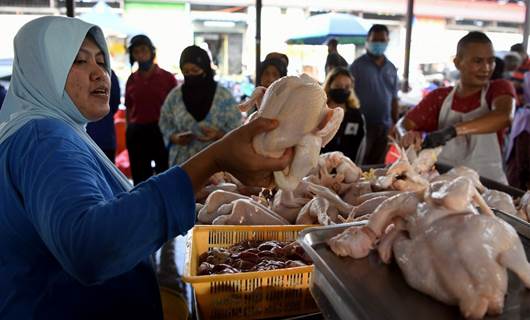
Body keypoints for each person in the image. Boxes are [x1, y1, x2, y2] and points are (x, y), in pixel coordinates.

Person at [0, 16, 293, 319]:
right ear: (40, 71)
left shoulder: (50, 133)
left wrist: (191, 185)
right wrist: (212, 159)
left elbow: (101, 208)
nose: (99, 73)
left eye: (101, 61)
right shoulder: (44, 138)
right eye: (78, 61)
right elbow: (90, 246)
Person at [398, 31, 515, 183]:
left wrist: (451, 131)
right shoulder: (439, 97)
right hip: (444, 186)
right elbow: (403, 124)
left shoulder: (498, 89)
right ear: (457, 62)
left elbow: (504, 116)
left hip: (488, 187)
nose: (486, 68)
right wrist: (406, 135)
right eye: (478, 61)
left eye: (491, 61)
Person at [159, 45, 242, 167]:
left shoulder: (223, 96)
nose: (191, 75)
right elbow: (164, 122)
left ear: (205, 69)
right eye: (186, 71)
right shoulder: (175, 97)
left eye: (195, 70)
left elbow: (238, 130)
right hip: (182, 165)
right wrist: (175, 137)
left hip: (217, 164)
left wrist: (219, 135)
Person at [125, 34, 176, 185]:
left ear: (151, 52)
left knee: (164, 174)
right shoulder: (132, 79)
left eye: (144, 50)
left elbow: (176, 107)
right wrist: (129, 130)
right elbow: (128, 108)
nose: (141, 55)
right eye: (136, 52)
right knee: (140, 178)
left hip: (160, 131)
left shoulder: (167, 78)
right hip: (137, 133)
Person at [350, 24, 399, 165]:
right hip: (363, 125)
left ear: (387, 41)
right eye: (375, 40)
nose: (378, 44)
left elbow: (394, 98)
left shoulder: (391, 67)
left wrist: (394, 124)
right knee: (359, 162)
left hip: (384, 125)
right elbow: (349, 95)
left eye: (382, 40)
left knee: (378, 164)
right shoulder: (357, 66)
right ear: (368, 41)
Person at [321, 67, 365, 162]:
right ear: (329, 86)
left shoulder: (355, 115)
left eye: (347, 87)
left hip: (346, 166)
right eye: (338, 86)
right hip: (321, 165)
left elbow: (358, 145)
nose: (342, 89)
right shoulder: (320, 112)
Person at [86, 69, 120, 162]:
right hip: (104, 135)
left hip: (91, 138)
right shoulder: (108, 73)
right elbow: (114, 104)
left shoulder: (79, 73)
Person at [509, 43, 530, 107]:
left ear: (524, 54)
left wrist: (521, 85)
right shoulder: (513, 64)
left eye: (517, 57)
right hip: (513, 100)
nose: (515, 60)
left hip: (525, 104)